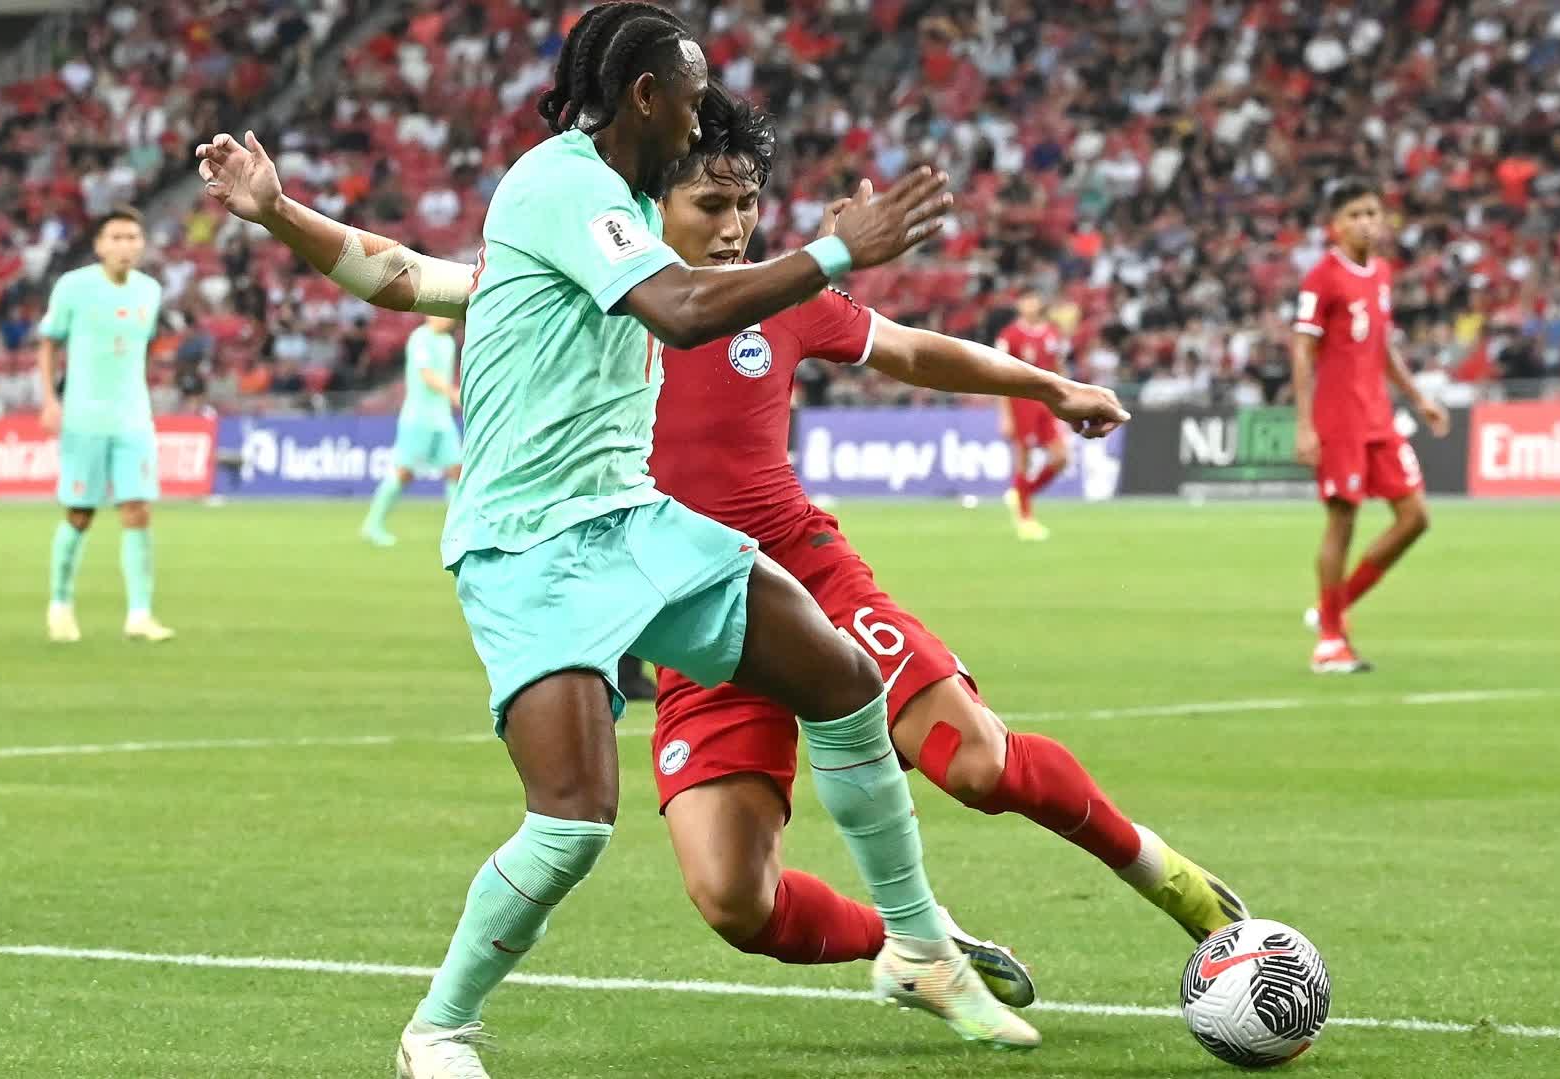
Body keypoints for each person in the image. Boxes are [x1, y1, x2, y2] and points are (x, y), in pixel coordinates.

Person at [199, 82, 1248, 1007]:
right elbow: (400, 274)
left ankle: (1169, 878)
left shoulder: (782, 295)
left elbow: (913, 351)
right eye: (714, 203)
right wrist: (278, 211)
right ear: (644, 207)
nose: (740, 225)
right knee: (733, 899)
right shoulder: (569, 275)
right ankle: (909, 945)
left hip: (804, 572)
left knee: (974, 762)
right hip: (681, 603)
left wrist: (1048, 384)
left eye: (749, 204)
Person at [1290, 179, 1448, 673]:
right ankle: (1329, 643)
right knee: (1343, 521)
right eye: (1355, 215)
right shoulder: (1322, 277)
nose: (1365, 222)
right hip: (1339, 418)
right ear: (1336, 226)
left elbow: (1382, 346)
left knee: (1415, 517)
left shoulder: (1380, 273)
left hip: (1379, 416)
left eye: (1372, 213)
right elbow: (1302, 349)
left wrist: (1419, 399)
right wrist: (1304, 425)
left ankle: (1332, 610)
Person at [37, 205, 175, 644]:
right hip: (84, 418)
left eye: (132, 237)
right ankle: (60, 605)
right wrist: (49, 399)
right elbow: (48, 343)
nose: (125, 245)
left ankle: (140, 614)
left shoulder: (149, 291)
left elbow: (139, 351)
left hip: (133, 419)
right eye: (115, 237)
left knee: (138, 511)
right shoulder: (73, 287)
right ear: (98, 245)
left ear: (142, 244)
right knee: (80, 514)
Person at [363, 315, 462, 547]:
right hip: (418, 418)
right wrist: (452, 393)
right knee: (404, 472)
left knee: (456, 469)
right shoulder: (420, 338)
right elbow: (426, 375)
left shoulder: (448, 342)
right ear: (429, 314)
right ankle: (372, 524)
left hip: (442, 418)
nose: (447, 319)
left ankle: (456, 530)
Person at [994, 293, 1073, 541]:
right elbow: (999, 376)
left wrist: (1068, 399)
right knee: (1023, 459)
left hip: (1047, 401)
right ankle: (1025, 520)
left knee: (1061, 457)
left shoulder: (1052, 333)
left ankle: (1022, 493)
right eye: (1026, 300)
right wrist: (1005, 414)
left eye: (1033, 300)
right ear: (1019, 305)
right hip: (1021, 400)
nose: (1030, 305)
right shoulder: (1009, 336)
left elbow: (1059, 368)